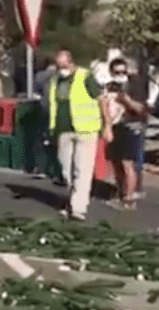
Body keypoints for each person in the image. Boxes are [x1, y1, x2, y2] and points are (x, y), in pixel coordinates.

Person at [47, 49, 103, 221]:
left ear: (71, 62)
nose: (61, 68)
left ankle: (78, 208)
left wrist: (106, 126)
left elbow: (102, 99)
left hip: (85, 130)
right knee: (66, 170)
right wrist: (52, 129)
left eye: (63, 65)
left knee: (82, 170)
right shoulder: (55, 80)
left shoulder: (85, 77)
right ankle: (72, 200)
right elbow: (53, 105)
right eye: (58, 65)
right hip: (63, 130)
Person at [101, 58, 147, 210]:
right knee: (116, 162)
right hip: (115, 126)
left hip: (131, 126)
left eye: (123, 72)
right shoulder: (109, 86)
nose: (120, 75)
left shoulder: (135, 85)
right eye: (117, 72)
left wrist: (126, 99)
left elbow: (141, 109)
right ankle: (121, 193)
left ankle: (129, 199)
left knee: (128, 164)